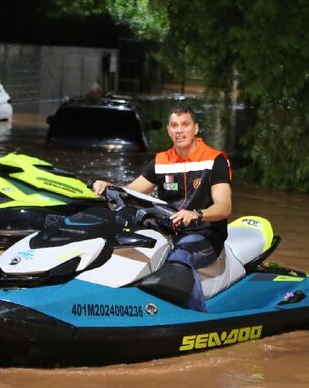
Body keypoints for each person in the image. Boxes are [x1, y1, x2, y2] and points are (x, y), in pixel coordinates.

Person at [93, 106, 232, 311]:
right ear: (168, 130)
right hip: (168, 232)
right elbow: (131, 191)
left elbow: (224, 206)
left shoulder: (214, 159)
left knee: (179, 260)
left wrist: (196, 214)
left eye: (185, 124)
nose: (179, 130)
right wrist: (108, 186)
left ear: (196, 128)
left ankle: (191, 317)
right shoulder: (161, 161)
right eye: (174, 125)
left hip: (204, 233)